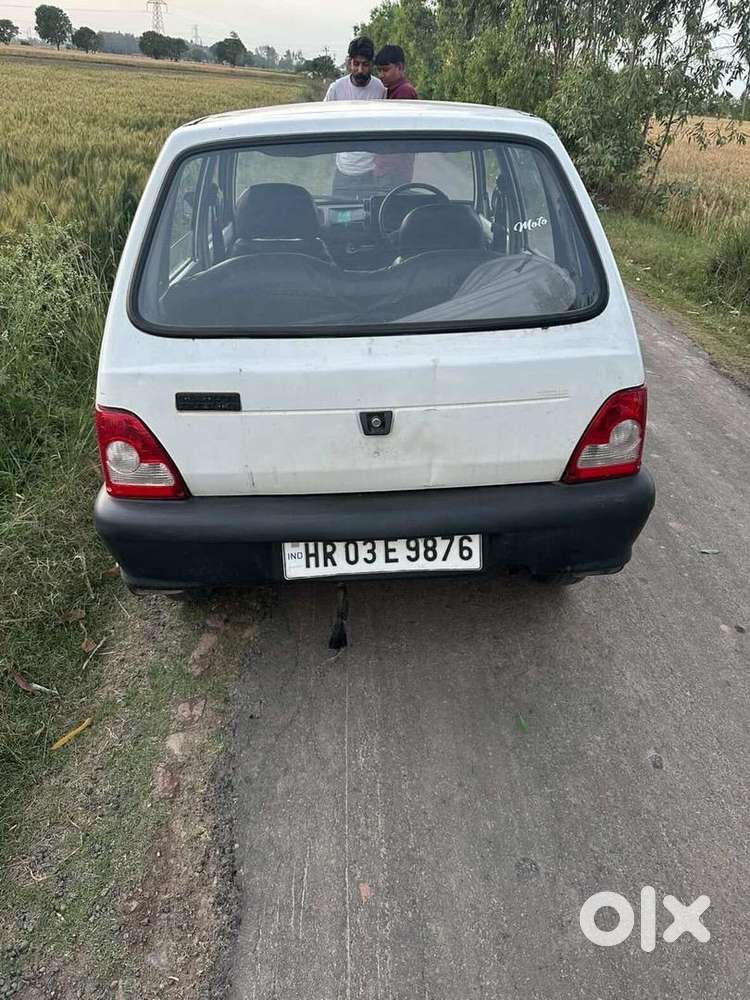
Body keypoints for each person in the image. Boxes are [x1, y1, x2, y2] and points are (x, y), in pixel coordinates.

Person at [324, 36, 385, 197]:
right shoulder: (336, 89)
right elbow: (323, 122)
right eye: (356, 64)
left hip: (370, 171)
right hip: (344, 169)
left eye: (365, 65)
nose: (360, 69)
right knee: (339, 215)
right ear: (349, 62)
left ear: (371, 64)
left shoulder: (379, 89)